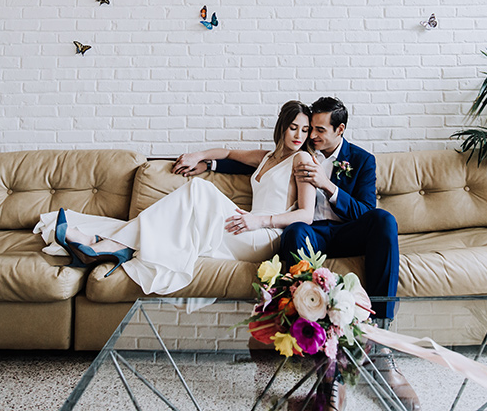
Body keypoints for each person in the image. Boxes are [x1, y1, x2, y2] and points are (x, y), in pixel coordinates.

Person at [198, 97, 418, 410]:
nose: (311, 135)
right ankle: (310, 341)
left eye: (319, 130)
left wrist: (328, 186)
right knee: (294, 232)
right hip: (311, 231)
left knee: (384, 219)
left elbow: (365, 212)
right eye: (308, 128)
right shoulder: (300, 152)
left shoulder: (363, 160)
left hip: (346, 232)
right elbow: (259, 161)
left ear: (339, 129)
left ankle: (380, 340)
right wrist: (210, 163)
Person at [39, 100, 316, 295]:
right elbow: (228, 153)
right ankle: (109, 245)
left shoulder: (302, 159)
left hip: (263, 236)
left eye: (305, 130)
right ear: (282, 127)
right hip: (242, 228)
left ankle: (104, 244)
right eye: (293, 127)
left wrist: (259, 221)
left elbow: (306, 214)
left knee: (200, 190)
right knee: (187, 207)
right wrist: (200, 157)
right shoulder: (267, 157)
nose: (299, 135)